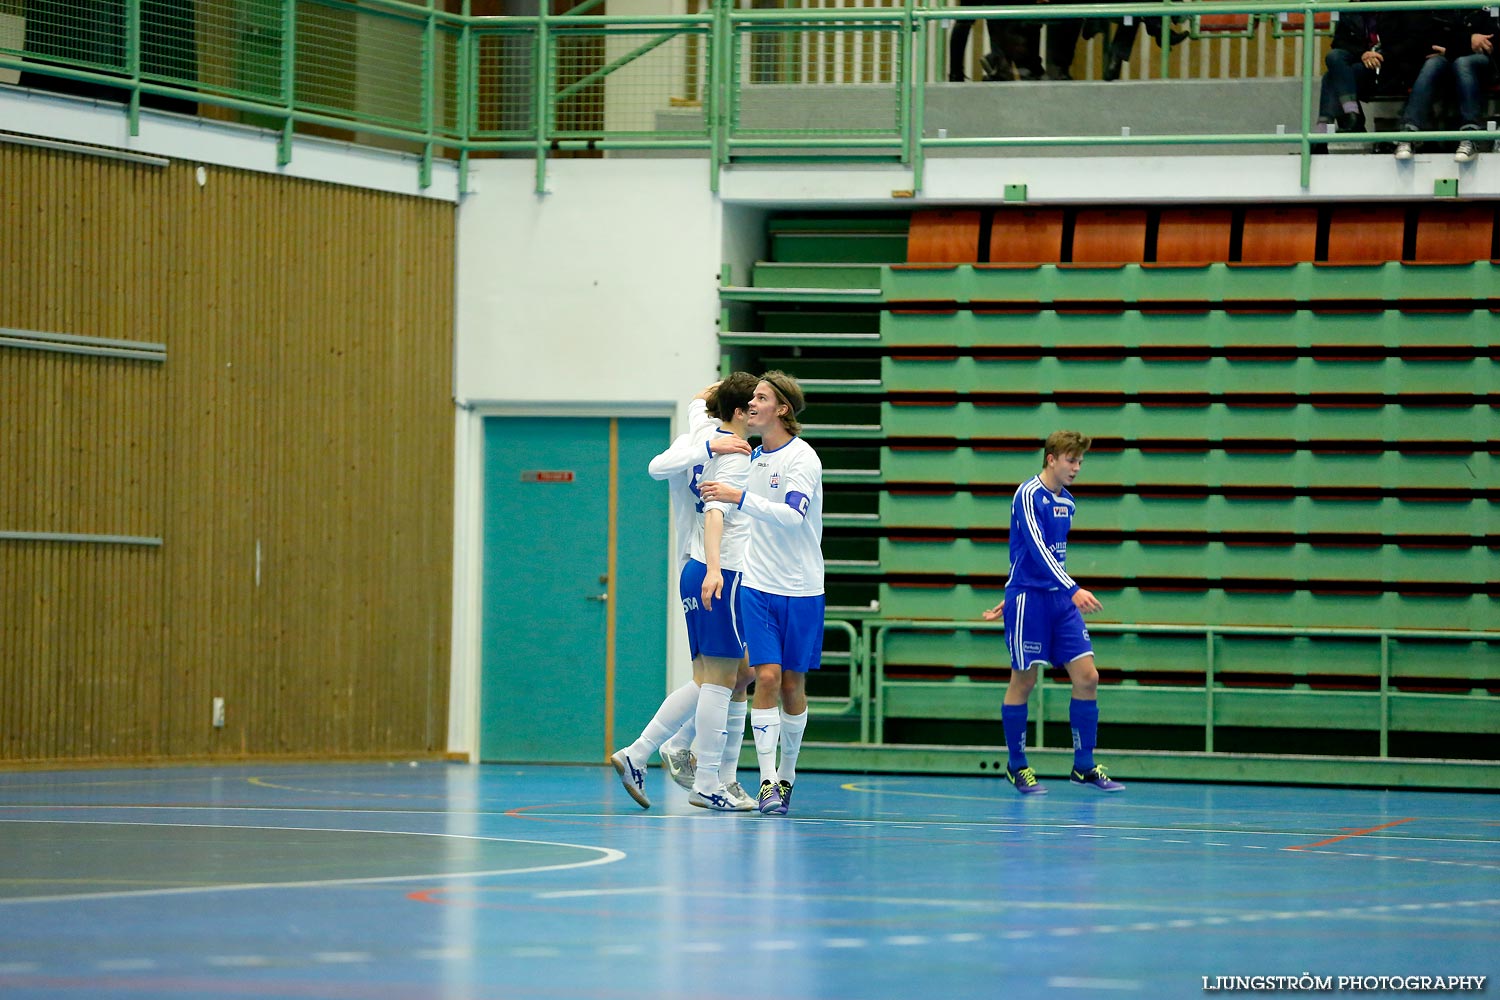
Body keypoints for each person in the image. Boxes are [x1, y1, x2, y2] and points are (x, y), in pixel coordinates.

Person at [610, 379, 753, 809]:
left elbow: (696, 404)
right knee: (722, 679)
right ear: (740, 411)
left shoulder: (701, 428)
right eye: (756, 402)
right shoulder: (723, 451)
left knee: (723, 675)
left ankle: (647, 751)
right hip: (716, 566)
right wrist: (715, 569)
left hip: (698, 565)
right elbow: (672, 479)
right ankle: (707, 779)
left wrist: (707, 396)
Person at [697, 371, 824, 816]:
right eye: (751, 397)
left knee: (792, 684)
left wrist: (738, 497)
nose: (752, 403)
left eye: (762, 397)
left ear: (782, 409)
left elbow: (791, 517)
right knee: (764, 676)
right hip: (757, 585)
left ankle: (787, 775)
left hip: (803, 587)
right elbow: (704, 402)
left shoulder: (802, 460)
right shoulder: (749, 456)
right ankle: (767, 780)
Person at [981, 430, 1124, 795]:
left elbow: (1050, 557)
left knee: (1088, 677)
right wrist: (1069, 589)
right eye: (1071, 460)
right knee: (1024, 682)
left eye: (1080, 462)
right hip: (1032, 598)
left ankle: (1084, 765)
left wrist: (1064, 591)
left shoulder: (1069, 503)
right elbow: (1037, 549)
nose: (1076, 468)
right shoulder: (1028, 495)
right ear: (1051, 459)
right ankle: (1017, 766)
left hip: (1058, 600)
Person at [1394, 6, 1497, 163]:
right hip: (1448, 56)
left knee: (1463, 63)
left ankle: (1470, 135)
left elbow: (1490, 40)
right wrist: (1467, 40)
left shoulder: (1486, 5)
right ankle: (1409, 133)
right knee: (1432, 64)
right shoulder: (1440, 5)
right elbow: (1430, 37)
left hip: (1481, 62)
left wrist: (1453, 47)